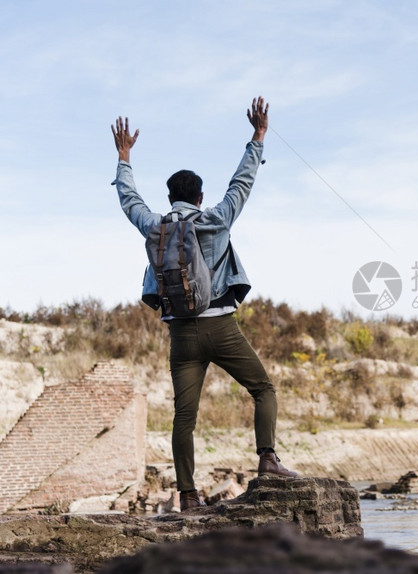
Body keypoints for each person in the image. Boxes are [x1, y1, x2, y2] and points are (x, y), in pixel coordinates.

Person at [111, 97, 299, 511]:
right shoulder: (215, 219)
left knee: (184, 417)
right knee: (263, 388)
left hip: (181, 334)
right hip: (221, 327)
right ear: (199, 197)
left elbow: (129, 201)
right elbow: (242, 184)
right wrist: (258, 135)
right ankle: (267, 458)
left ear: (171, 196)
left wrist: (124, 158)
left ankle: (189, 497)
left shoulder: (155, 226)